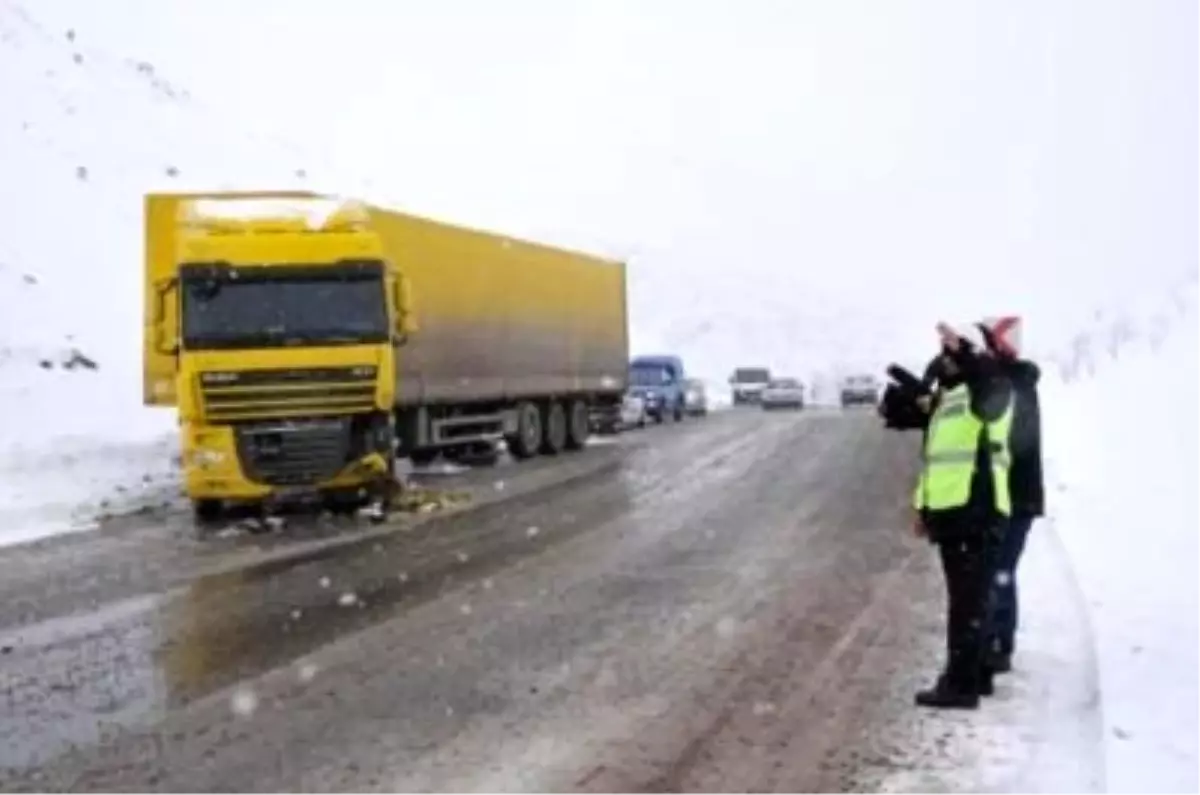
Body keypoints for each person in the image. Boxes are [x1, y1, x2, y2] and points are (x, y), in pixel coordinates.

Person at [912, 322, 1014, 709]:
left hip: (977, 510)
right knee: (970, 601)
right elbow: (934, 461)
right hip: (953, 515)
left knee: (968, 605)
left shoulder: (987, 389)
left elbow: (990, 397)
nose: (946, 357)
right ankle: (975, 675)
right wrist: (924, 507)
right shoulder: (953, 398)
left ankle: (961, 685)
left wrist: (968, 355)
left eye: (952, 350)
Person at [979, 321, 1044, 674]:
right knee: (997, 569)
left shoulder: (1014, 386)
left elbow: (1011, 444)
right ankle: (995, 640)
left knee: (999, 570)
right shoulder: (1011, 383)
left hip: (1016, 497)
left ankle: (998, 644)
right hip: (1010, 496)